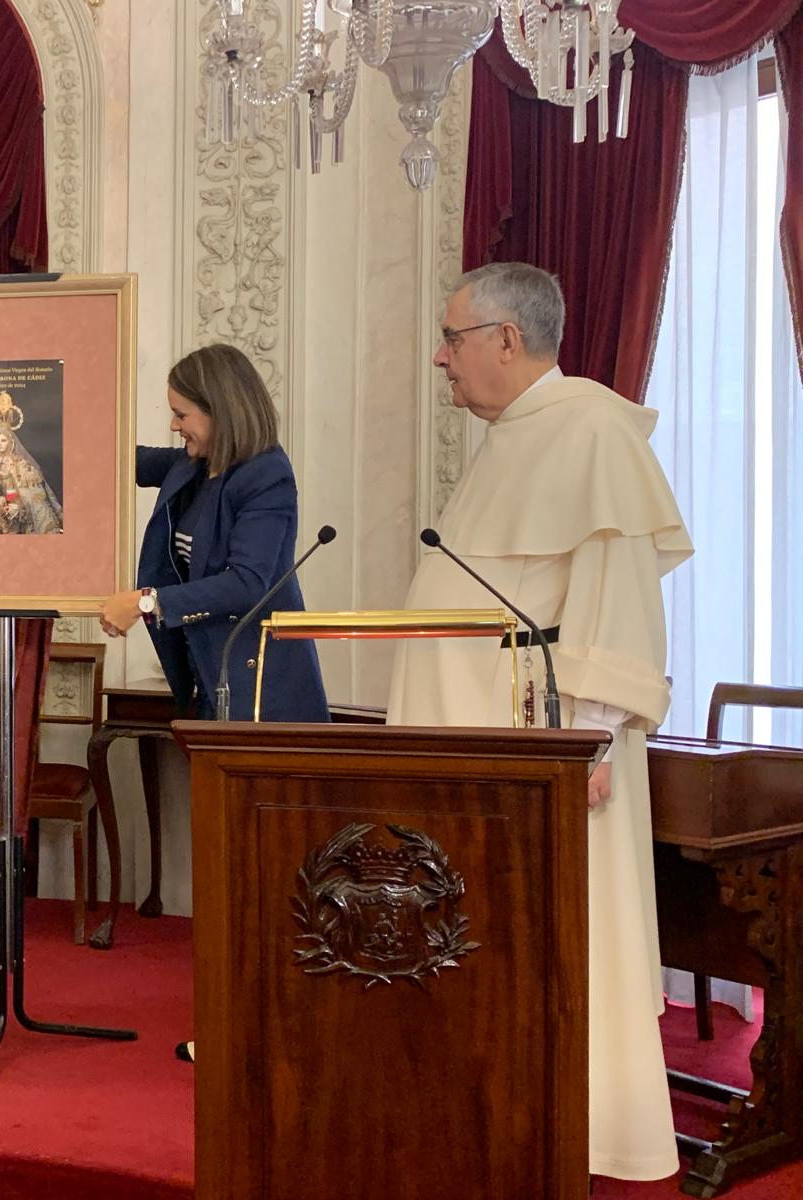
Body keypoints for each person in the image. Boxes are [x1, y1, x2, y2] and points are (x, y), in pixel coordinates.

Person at [387, 262, 692, 1182]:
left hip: (548, 744)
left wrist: (588, 737)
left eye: (453, 338)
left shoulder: (593, 428)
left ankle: (585, 1125)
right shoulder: (513, 437)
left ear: (506, 341)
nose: (442, 359)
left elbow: (620, 599)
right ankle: (489, 1103)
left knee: (563, 927)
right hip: (477, 734)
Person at [98, 343, 328, 724]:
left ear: (218, 411)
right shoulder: (195, 465)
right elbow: (120, 460)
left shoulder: (267, 475)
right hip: (208, 676)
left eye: (180, 414)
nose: (174, 426)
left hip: (258, 690)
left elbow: (246, 582)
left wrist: (145, 602)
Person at [0, 391, 64, 534]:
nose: (0, 444)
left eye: (4, 440)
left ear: (11, 442)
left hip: (14, 518)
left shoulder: (20, 465)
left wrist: (18, 506)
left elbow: (32, 496)